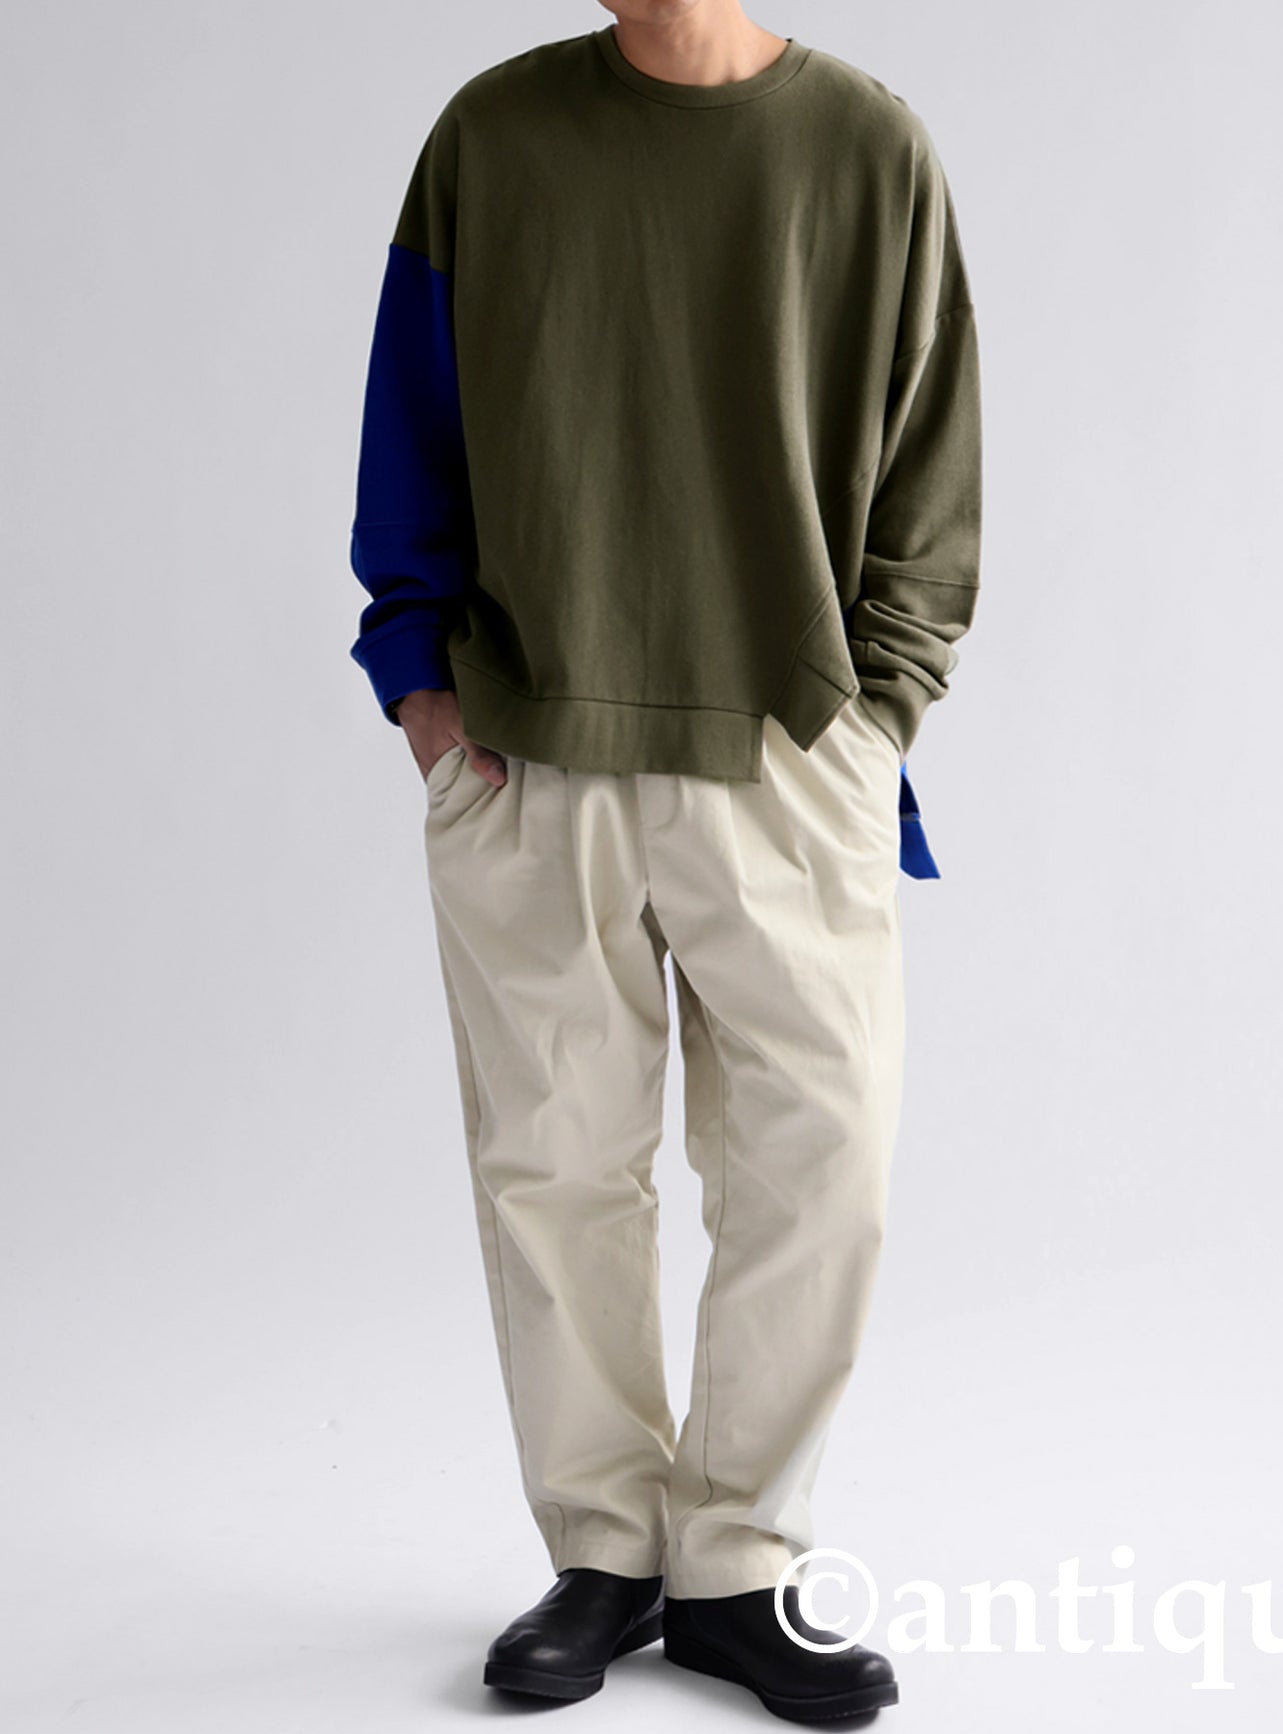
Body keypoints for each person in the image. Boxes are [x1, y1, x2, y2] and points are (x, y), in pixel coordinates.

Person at [347, 0, 982, 1720]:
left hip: (786, 744)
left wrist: (873, 717)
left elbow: (929, 470)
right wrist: (420, 687)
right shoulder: (492, 138)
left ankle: (737, 1566)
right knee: (554, 1166)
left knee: (820, 1162)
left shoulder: (866, 149)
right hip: (530, 739)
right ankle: (607, 1552)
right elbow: (411, 423)